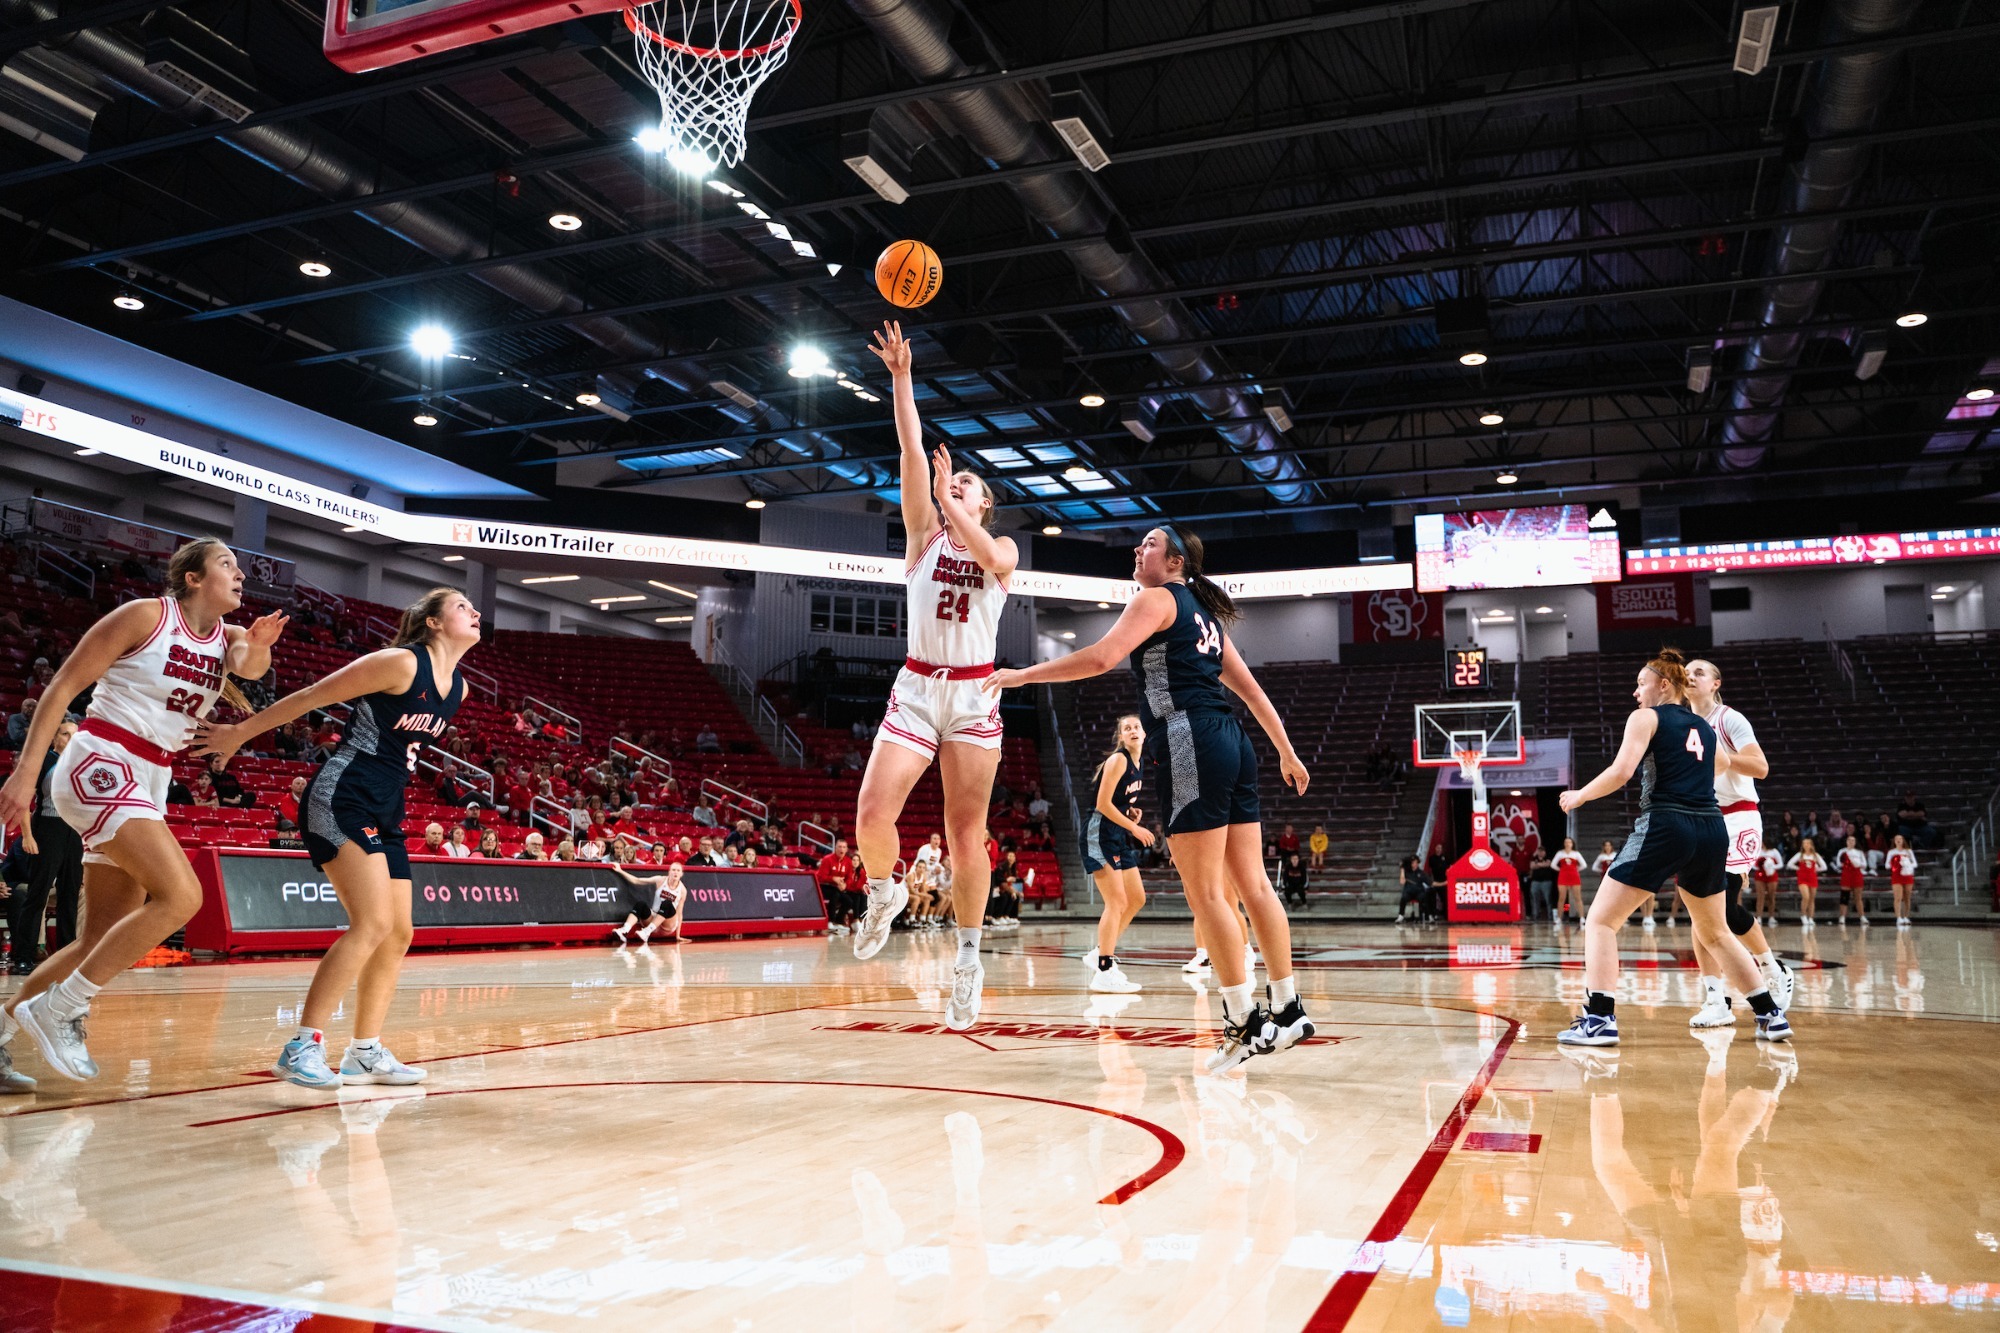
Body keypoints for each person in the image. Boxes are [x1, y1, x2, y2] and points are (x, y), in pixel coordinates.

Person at [987, 524, 1315, 1071]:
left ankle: (1241, 1023)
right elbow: (1252, 692)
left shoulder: (1155, 598)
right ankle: (1288, 1007)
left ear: (1176, 561)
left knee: (1206, 891)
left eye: (1150, 545)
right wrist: (1286, 751)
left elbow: (1098, 658)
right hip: (1232, 740)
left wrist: (1022, 676)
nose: (1138, 551)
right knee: (1252, 884)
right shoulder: (1205, 614)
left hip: (1189, 737)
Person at [0, 538, 282, 1088]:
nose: (240, 572)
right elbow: (62, 687)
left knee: (98, 938)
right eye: (227, 563)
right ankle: (63, 1009)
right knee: (182, 896)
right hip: (103, 757)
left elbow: (250, 665)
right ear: (193, 578)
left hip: (152, 776)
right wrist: (26, 770)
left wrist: (261, 642)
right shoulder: (146, 616)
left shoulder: (228, 639)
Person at [195, 587, 477, 1091]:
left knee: (399, 933)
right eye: (461, 606)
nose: (474, 612)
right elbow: (310, 697)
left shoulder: (459, 688)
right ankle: (302, 1044)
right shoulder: (399, 664)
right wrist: (240, 734)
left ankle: (365, 1052)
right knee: (370, 924)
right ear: (433, 622)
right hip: (342, 794)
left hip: (386, 807)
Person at [848, 321, 1017, 1034]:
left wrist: (957, 505)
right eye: (959, 479)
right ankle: (884, 893)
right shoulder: (923, 534)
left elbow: (994, 560)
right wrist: (901, 377)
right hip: (918, 686)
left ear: (982, 504)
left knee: (964, 834)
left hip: (976, 694)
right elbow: (912, 451)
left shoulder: (998, 544)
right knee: (869, 815)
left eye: (972, 485)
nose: (960, 481)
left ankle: (969, 961)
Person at [1556, 649, 1790, 1047]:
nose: (1635, 692)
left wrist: (1580, 795)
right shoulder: (1703, 724)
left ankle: (1598, 1019)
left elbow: (1621, 771)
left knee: (1600, 922)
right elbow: (1719, 765)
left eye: (1640, 684)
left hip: (1667, 824)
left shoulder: (1646, 718)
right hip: (1712, 828)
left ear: (1664, 685)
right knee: (1715, 931)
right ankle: (1770, 1014)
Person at [1680, 659, 1795, 1025]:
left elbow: (1760, 767)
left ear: (1716, 683)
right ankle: (1717, 1000)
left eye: (1699, 672)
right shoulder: (1682, 725)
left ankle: (1772, 969)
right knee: (1701, 914)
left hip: (1739, 816)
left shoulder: (1730, 718)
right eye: (1687, 673)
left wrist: (1722, 758)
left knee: (1724, 906)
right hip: (1701, 820)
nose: (1691, 676)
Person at [1080, 714, 1152, 994]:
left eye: (1137, 726)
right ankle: (1104, 969)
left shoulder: (1139, 762)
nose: (1133, 731)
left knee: (1136, 899)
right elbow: (1102, 804)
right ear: (1120, 736)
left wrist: (1130, 811)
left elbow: (1118, 802)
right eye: (1127, 728)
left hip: (1116, 833)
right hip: (1098, 832)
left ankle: (1099, 951)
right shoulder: (1119, 759)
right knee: (1117, 901)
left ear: (1144, 733)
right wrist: (1135, 828)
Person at [8, 719, 82, 974]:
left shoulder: (82, 764)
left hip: (75, 832)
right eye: (64, 734)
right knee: (37, 894)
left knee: (69, 895)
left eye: (75, 734)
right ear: (53, 738)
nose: (70, 739)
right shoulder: (44, 762)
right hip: (47, 829)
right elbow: (24, 802)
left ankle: (66, 955)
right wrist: (27, 836)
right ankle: (23, 955)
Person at [611, 860, 685, 944]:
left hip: (668, 924)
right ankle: (624, 930)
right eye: (673, 870)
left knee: (667, 903)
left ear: (681, 874)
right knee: (641, 904)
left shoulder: (682, 890)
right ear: (669, 872)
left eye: (678, 870)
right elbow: (637, 880)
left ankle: (646, 932)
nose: (675, 872)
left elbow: (679, 913)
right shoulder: (660, 880)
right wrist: (620, 870)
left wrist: (678, 936)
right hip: (654, 919)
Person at [817, 838, 858, 936]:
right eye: (839, 847)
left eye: (844, 847)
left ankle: (839, 921)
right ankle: (830, 921)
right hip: (824, 886)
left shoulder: (848, 861)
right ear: (835, 848)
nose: (841, 849)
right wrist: (833, 878)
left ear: (847, 849)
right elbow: (821, 877)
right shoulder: (827, 859)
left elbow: (849, 878)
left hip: (838, 888)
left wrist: (845, 885)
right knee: (834, 894)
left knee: (849, 901)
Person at [1786, 839, 1825, 927]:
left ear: (1811, 845)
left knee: (1812, 898)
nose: (1806, 845)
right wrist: (1798, 869)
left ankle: (1811, 918)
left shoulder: (1815, 855)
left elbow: (1824, 866)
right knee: (1806, 896)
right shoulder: (1800, 855)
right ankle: (1803, 915)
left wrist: (1816, 869)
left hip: (1812, 878)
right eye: (1804, 843)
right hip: (1802, 878)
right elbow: (1789, 864)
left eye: (1808, 843)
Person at [1833, 834, 1869, 926]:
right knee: (1844, 897)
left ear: (1855, 842)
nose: (1851, 842)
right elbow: (1838, 863)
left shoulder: (1859, 852)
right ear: (1846, 841)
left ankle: (1862, 917)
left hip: (1857, 874)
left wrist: (1856, 863)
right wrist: (1847, 863)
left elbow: (1864, 864)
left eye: (1853, 840)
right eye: (1849, 840)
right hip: (1846, 874)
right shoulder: (1842, 851)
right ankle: (1842, 917)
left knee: (1858, 897)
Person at [1551, 837, 1587, 925]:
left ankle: (1582, 918)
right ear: (1564, 844)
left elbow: (1584, 865)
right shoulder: (1560, 853)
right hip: (1563, 876)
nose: (1567, 844)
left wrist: (1576, 869)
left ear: (1572, 844)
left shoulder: (1576, 853)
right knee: (1561, 898)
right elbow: (1553, 865)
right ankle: (1559, 918)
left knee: (1577, 898)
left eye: (1569, 842)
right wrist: (1560, 870)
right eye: (1566, 842)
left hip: (1574, 876)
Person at [1886, 835, 1918, 927]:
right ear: (1894, 841)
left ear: (1903, 841)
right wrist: (1895, 865)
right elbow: (1887, 865)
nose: (1898, 840)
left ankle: (1906, 917)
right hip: (1896, 876)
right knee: (1898, 897)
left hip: (1907, 875)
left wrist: (1907, 865)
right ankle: (1898, 917)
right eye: (1896, 839)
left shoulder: (1908, 851)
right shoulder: (1891, 852)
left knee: (1907, 897)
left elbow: (1915, 863)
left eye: (1900, 839)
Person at [1753, 844, 1784, 926]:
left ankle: (1771, 917)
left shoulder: (1774, 851)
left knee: (1771, 896)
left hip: (1771, 875)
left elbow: (1781, 864)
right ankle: (1759, 916)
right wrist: (1760, 866)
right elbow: (1752, 863)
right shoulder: (1757, 850)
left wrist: (1771, 866)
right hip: (1760, 875)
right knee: (1760, 896)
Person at [1395, 855, 1431, 924]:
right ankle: (1401, 916)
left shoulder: (1421, 873)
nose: (1413, 864)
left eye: (1415, 862)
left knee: (1424, 897)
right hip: (1409, 893)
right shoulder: (1407, 871)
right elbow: (1402, 882)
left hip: (1418, 893)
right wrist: (1402, 870)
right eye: (1412, 862)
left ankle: (1428, 916)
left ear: (1417, 863)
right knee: (1403, 898)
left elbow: (1429, 883)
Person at [1526, 849, 1558, 922]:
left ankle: (1551, 916)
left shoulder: (1548, 858)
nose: (1541, 853)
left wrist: (1537, 864)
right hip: (1535, 881)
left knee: (1548, 899)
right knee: (1534, 898)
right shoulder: (1534, 859)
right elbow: (1532, 866)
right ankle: (1536, 915)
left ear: (1545, 852)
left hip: (1546, 882)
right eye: (1539, 851)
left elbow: (1548, 864)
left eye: (1542, 851)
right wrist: (1542, 864)